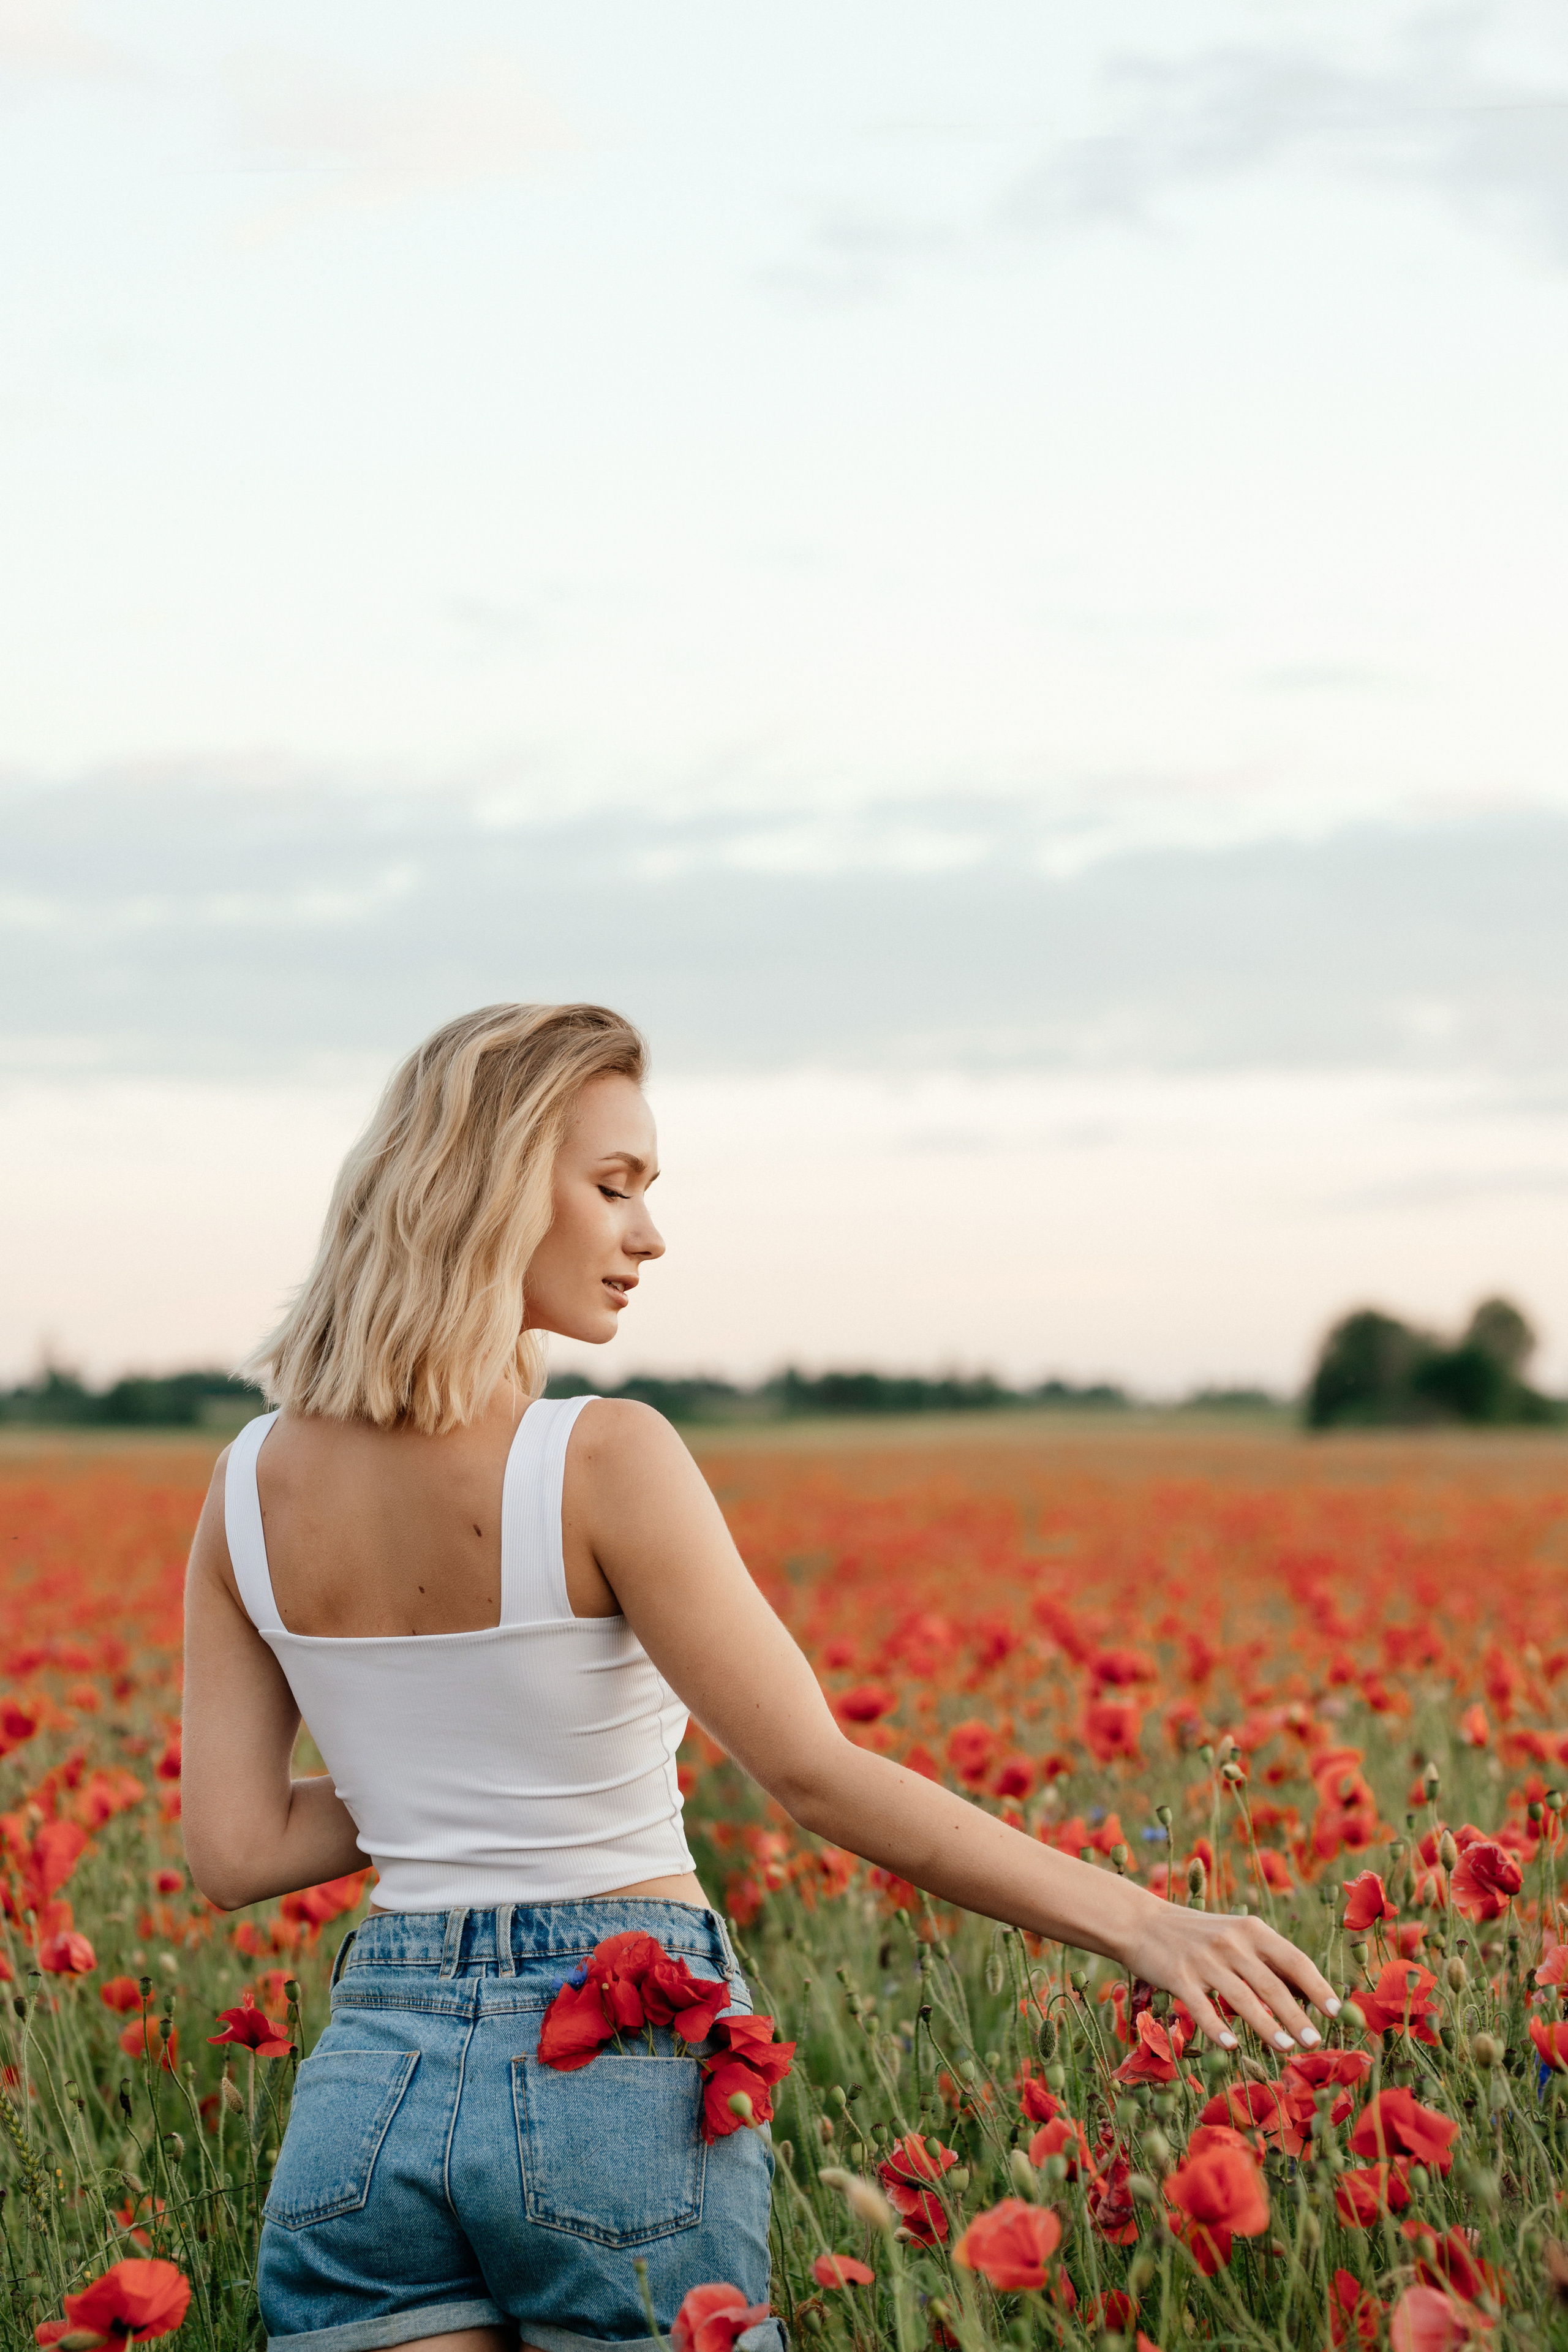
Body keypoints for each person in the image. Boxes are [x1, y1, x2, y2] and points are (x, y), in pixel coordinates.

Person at [182, 1001, 1339, 2352]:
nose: (647, 1235)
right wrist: (1140, 1921)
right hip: (607, 2048)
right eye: (611, 1187)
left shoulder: (243, 1489)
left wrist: (424, 1776)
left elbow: (233, 1849)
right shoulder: (603, 1458)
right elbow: (811, 1772)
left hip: (367, 2085)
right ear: (487, 1191)